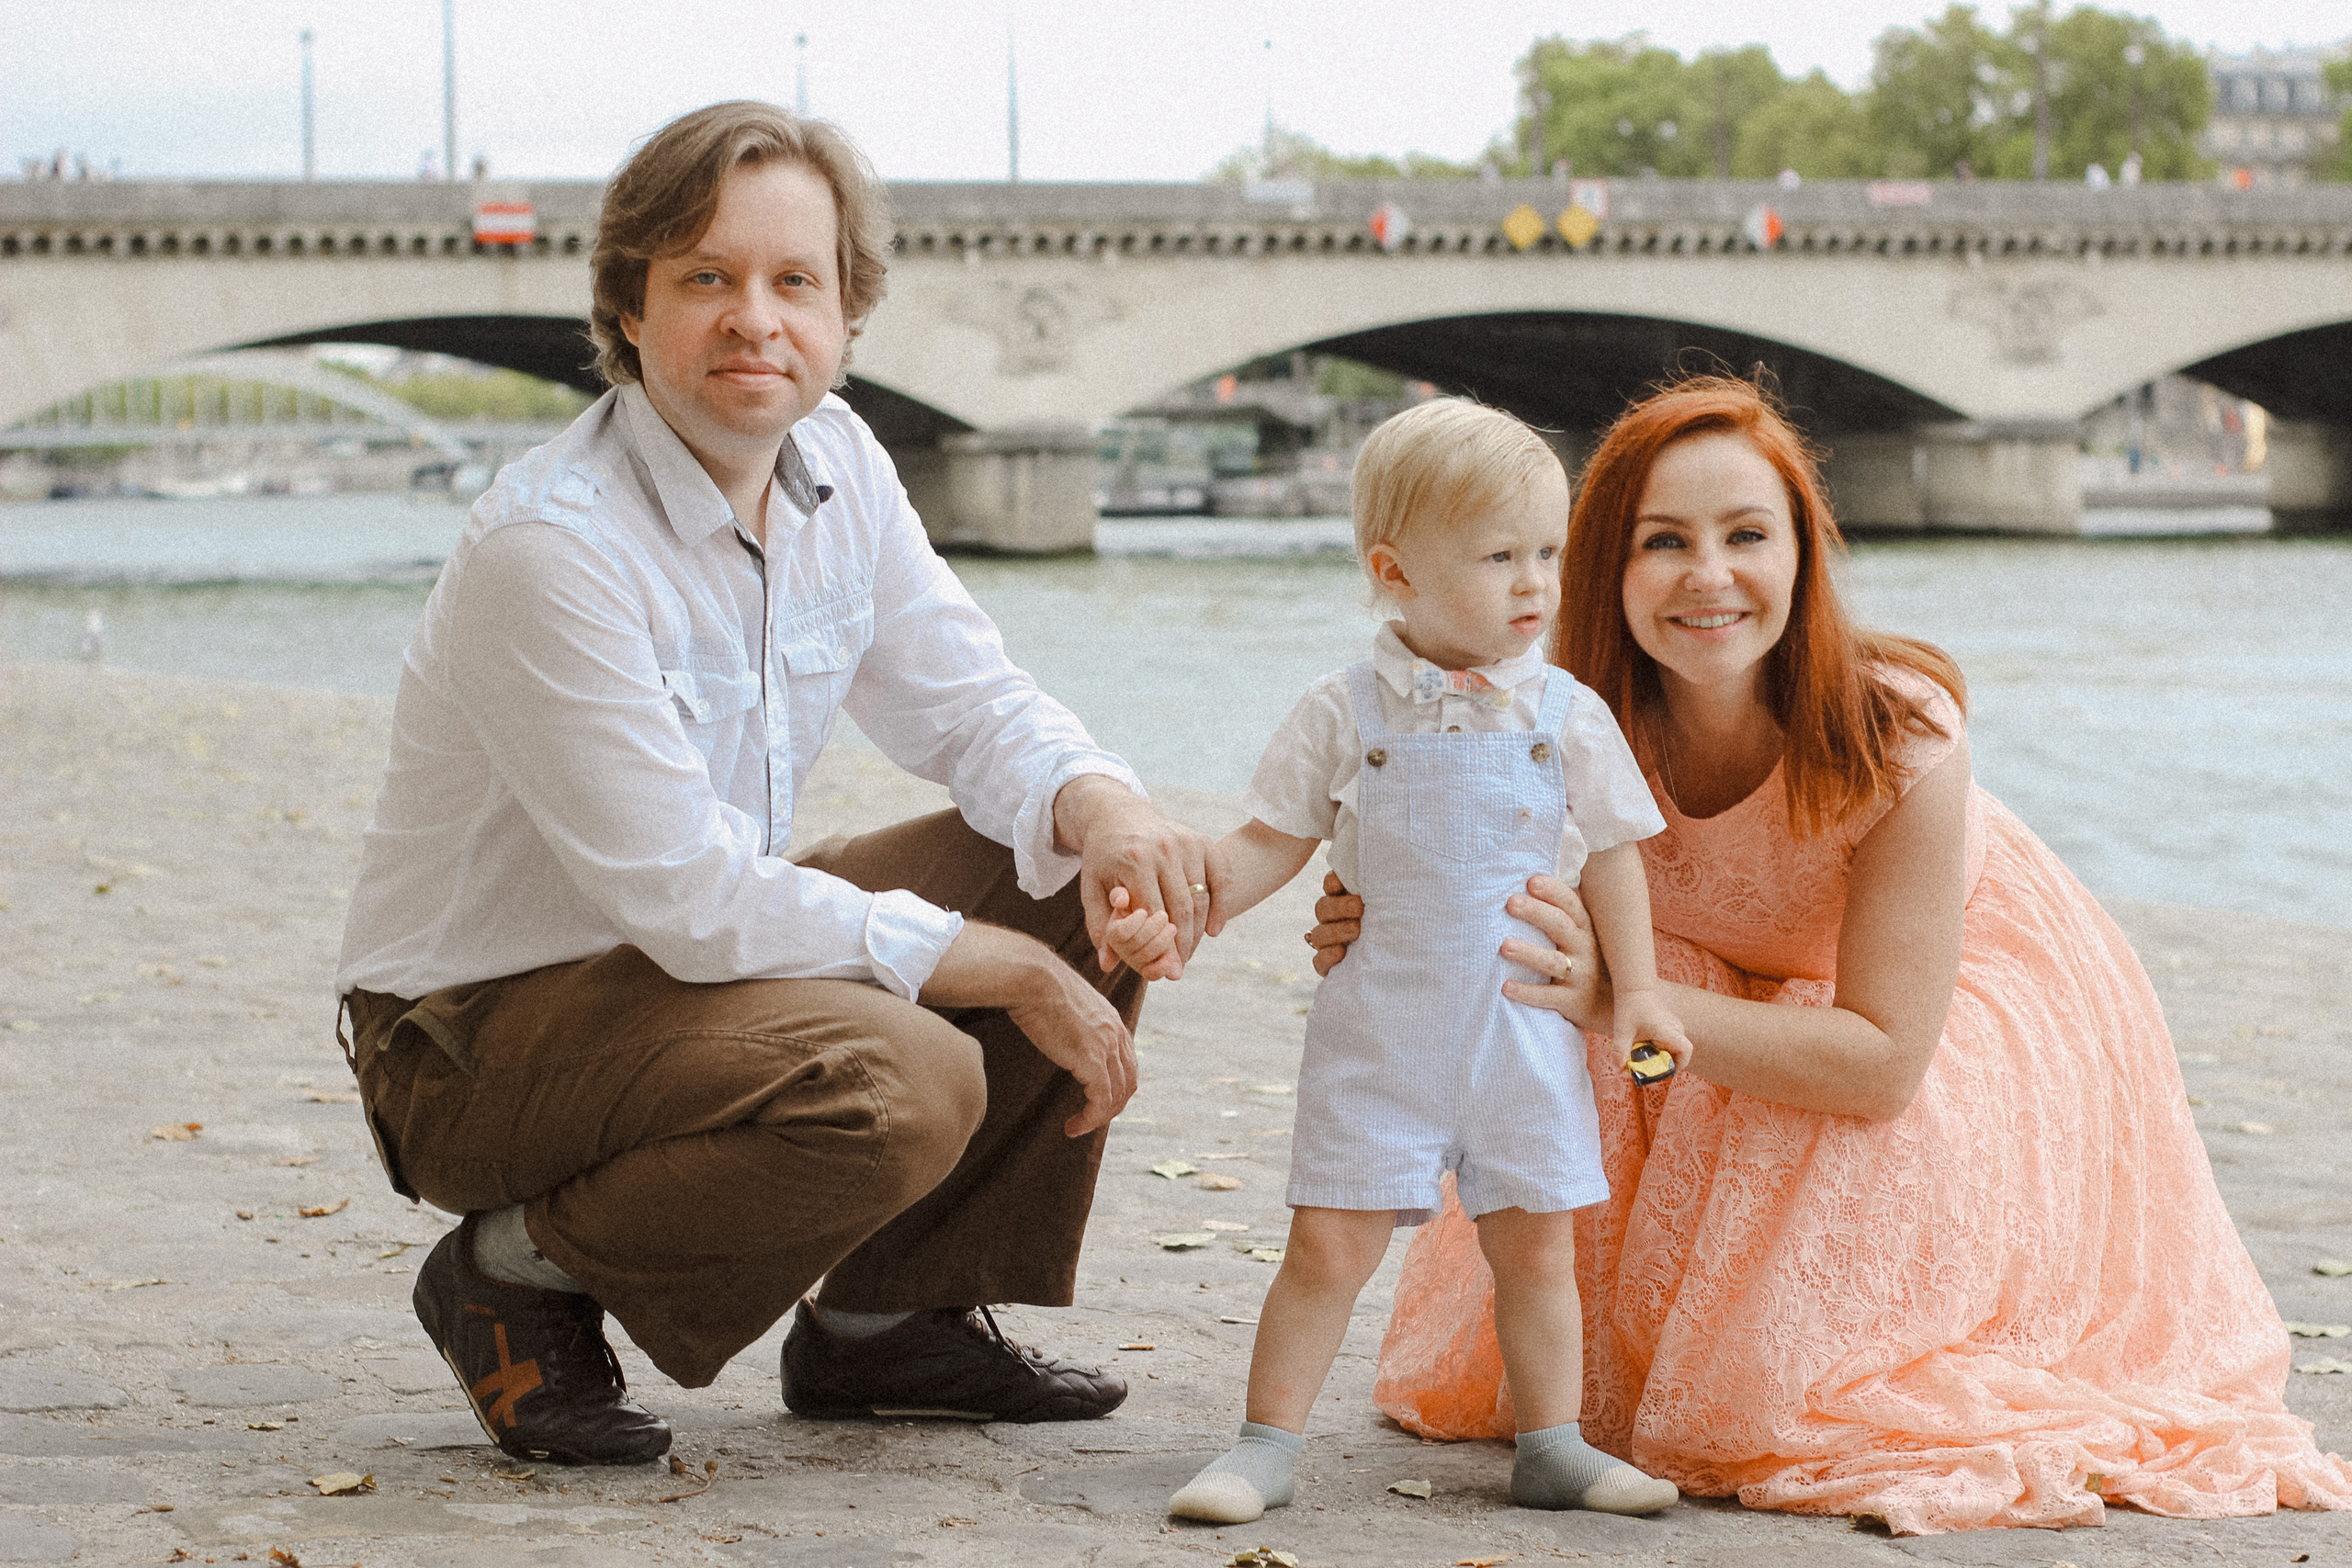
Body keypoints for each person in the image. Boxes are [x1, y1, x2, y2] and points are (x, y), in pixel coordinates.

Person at [334, 101, 1218, 1466]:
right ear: (630, 308)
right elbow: (687, 896)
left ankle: (886, 1322)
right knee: (904, 1078)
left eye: (793, 281)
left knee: (1067, 874)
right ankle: (515, 1270)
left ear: (848, 314)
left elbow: (970, 702)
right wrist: (997, 968)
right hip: (475, 1038)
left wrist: (1103, 803)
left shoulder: (841, 465)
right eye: (706, 277)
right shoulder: (551, 549)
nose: (757, 318)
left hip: (684, 978)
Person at [1310, 376, 2352, 1533]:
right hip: (1684, 989)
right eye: (1665, 542)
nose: (1710, 577)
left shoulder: (1895, 730)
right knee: (1578, 1003)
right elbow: (1468, 897)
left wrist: (1618, 1000)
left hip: (1927, 1004)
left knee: (1755, 1300)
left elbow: (1882, 1061)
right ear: (1603, 567)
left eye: (1747, 535)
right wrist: (1373, 914)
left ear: (1803, 555)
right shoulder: (1557, 721)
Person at [1106, 400, 1686, 1524]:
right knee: (1327, 1243)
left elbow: (1615, 856)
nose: (1534, 584)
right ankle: (1264, 1444)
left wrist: (1643, 988)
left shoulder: (1566, 714)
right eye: (1499, 557)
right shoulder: (1342, 711)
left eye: (1548, 555)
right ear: (1396, 571)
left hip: (1520, 1029)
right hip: (1381, 1035)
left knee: (1536, 1249)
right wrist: (1178, 915)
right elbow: (1264, 848)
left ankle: (1552, 1444)